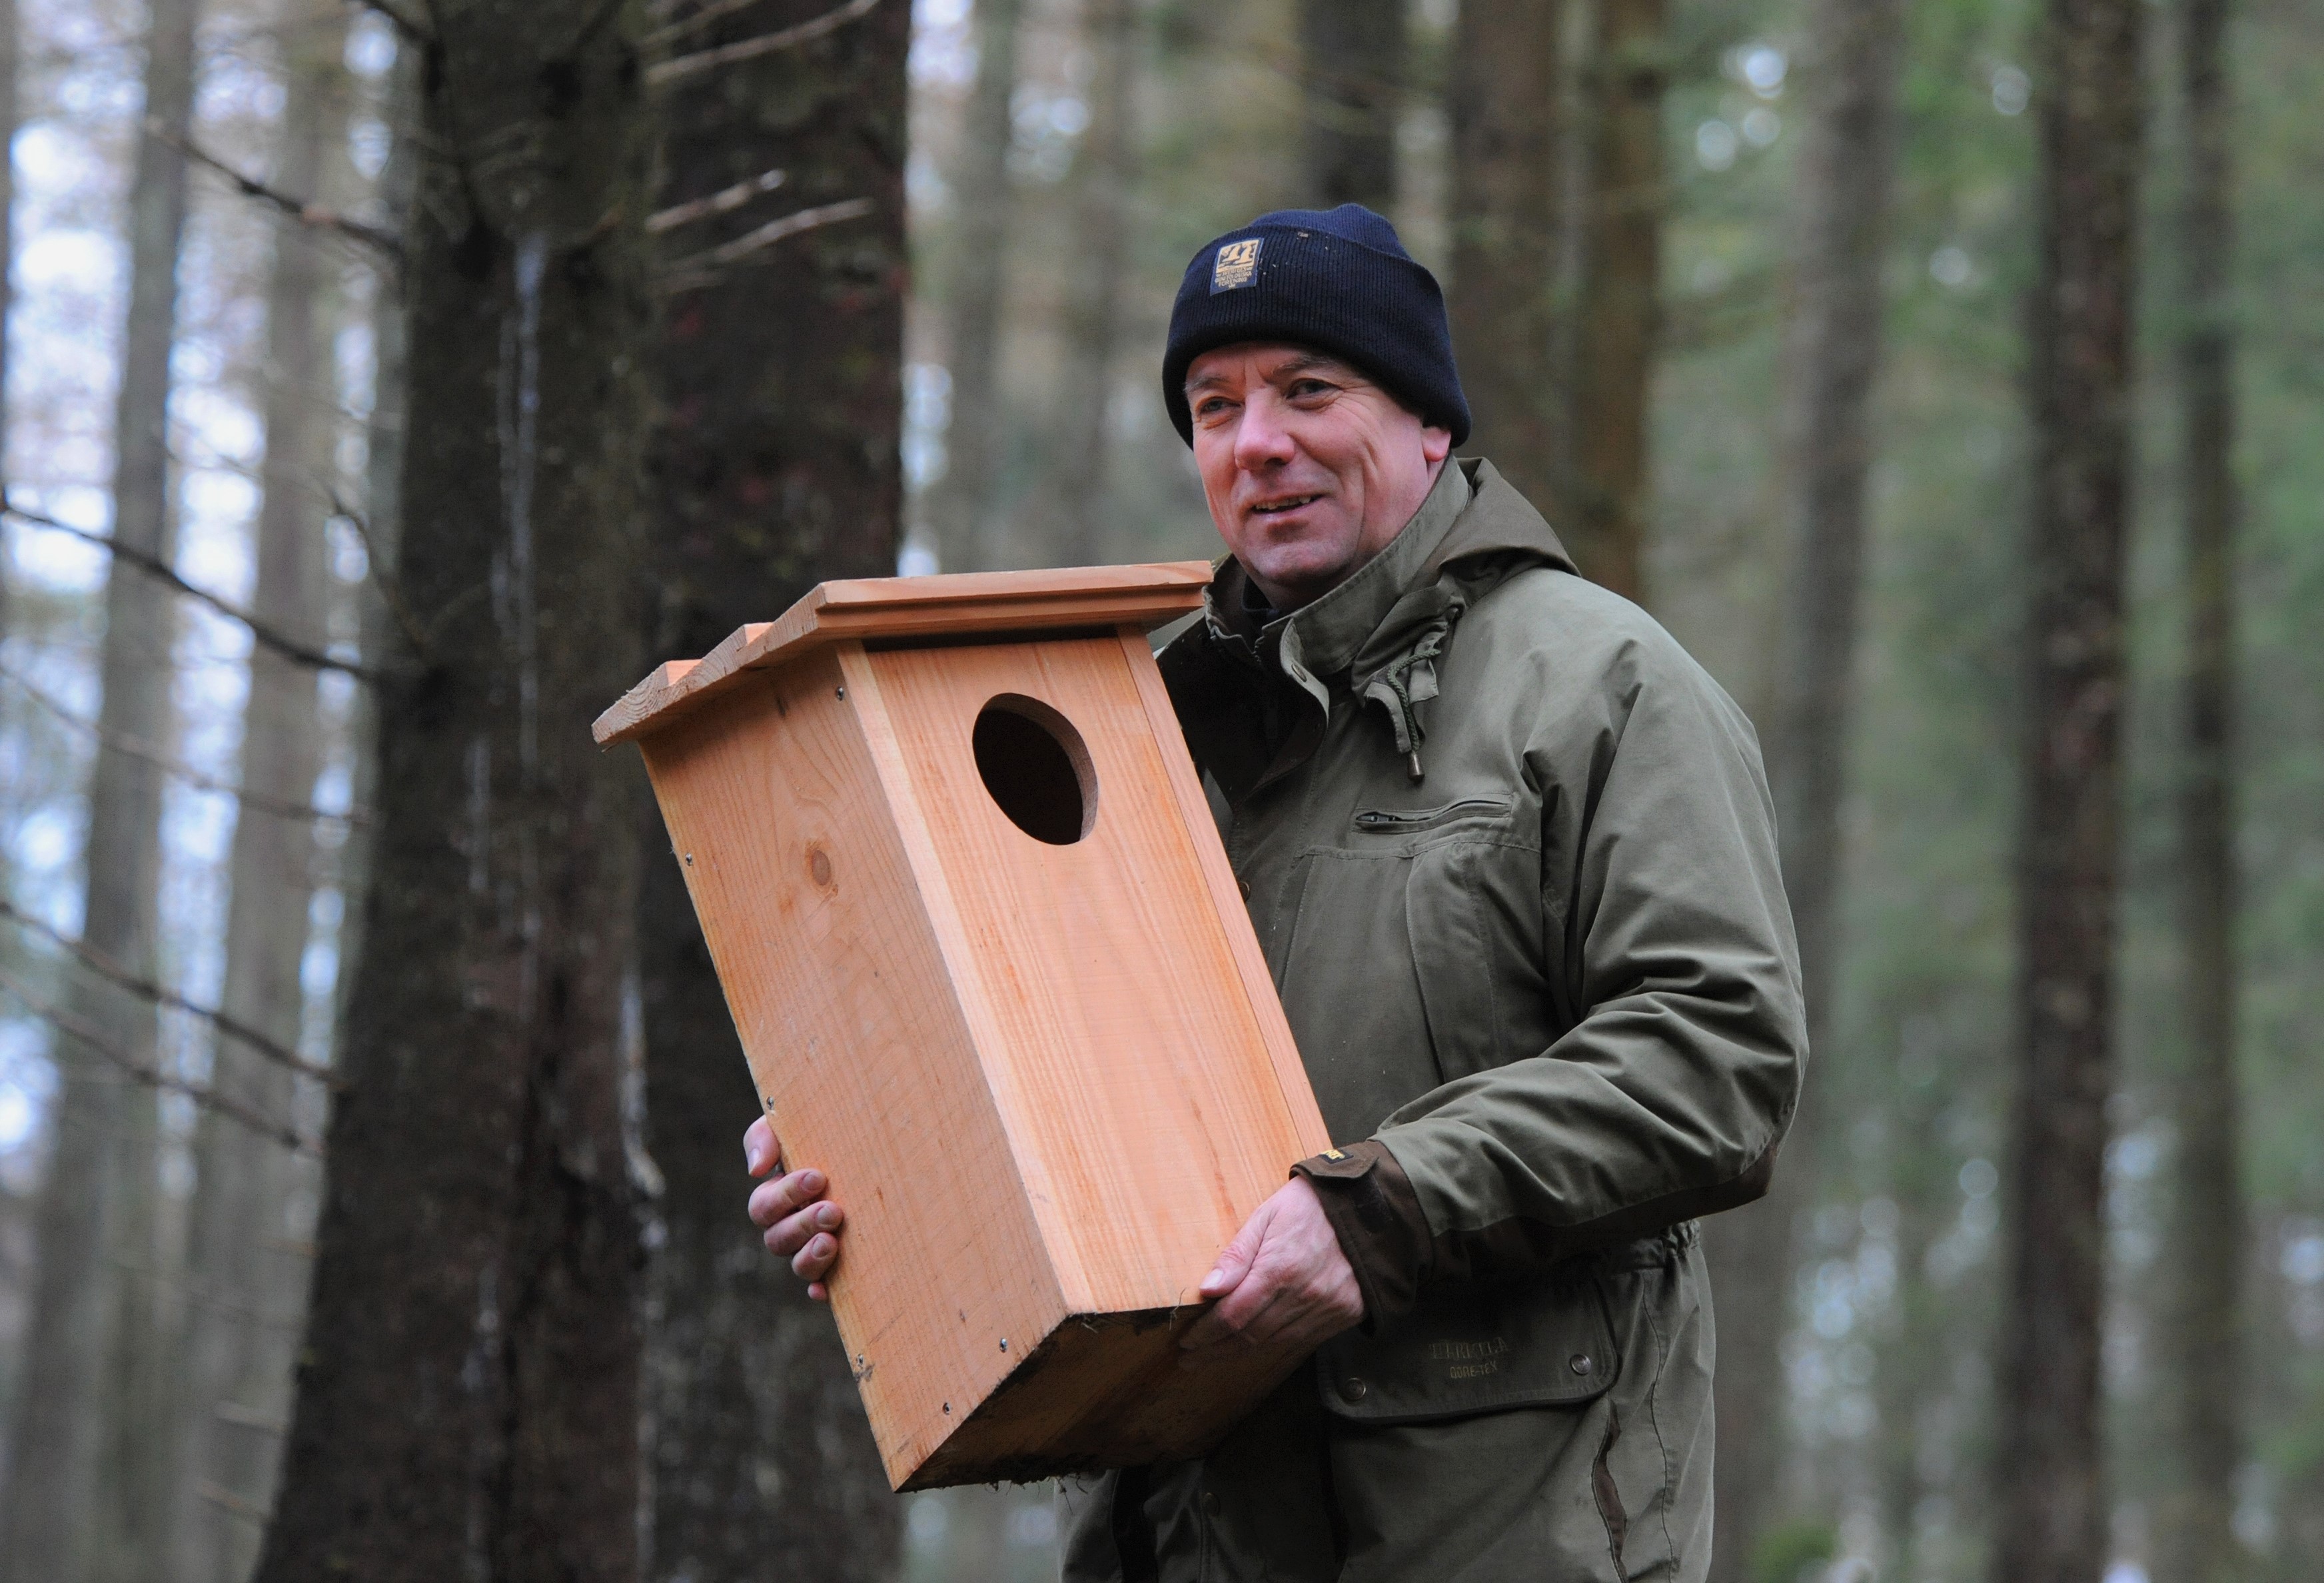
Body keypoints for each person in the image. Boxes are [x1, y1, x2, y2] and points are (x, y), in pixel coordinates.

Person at [744, 204, 1806, 1582]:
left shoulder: (1603, 688)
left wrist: (1382, 1206)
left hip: (1498, 1530)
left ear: (1428, 423)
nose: (1259, 443)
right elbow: (1061, 1089)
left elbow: (1716, 1056)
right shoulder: (1138, 738)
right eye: (1214, 406)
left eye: (1311, 390)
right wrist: (877, 1161)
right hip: (1180, 1531)